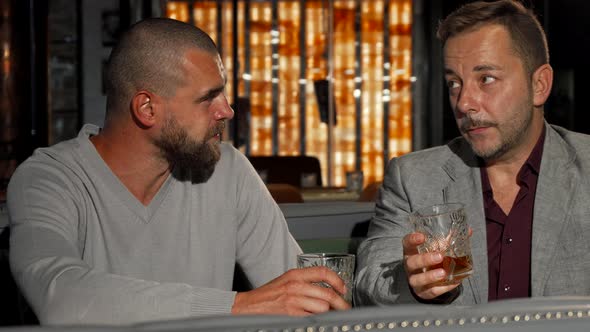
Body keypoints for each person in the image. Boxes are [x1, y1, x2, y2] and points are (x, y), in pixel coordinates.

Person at [7, 18, 349, 325]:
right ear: (147, 108)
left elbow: (298, 295)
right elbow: (62, 299)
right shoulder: (49, 180)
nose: (227, 111)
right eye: (209, 97)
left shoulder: (226, 170)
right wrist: (239, 307)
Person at [355, 0, 590, 306]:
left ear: (540, 85)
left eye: (486, 79)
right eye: (454, 83)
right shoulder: (412, 179)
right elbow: (367, 286)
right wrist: (412, 283)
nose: (464, 102)